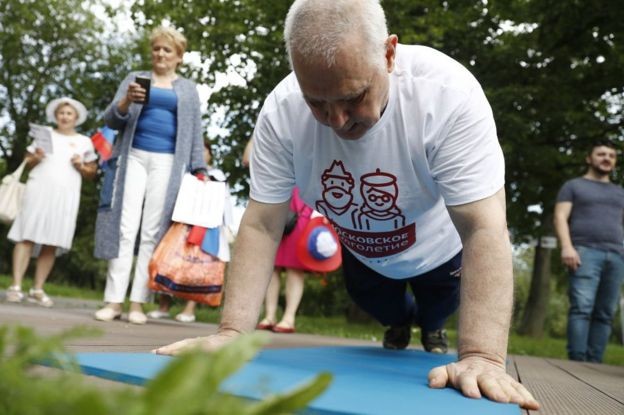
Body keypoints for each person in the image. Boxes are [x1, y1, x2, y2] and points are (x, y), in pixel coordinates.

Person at [156, 0, 539, 409]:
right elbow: (262, 225)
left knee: (435, 312)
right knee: (381, 305)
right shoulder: (281, 112)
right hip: (364, 252)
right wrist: (231, 335)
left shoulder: (447, 96)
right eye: (316, 103)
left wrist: (482, 357)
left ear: (389, 54)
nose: (336, 121)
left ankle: (428, 328)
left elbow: (484, 225)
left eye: (353, 97)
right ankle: (398, 324)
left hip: (442, 253)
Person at [93, 26, 207, 325]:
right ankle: (114, 301)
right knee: (124, 227)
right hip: (132, 157)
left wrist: (200, 168)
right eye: (156, 48)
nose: (160, 53)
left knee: (152, 231)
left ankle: (137, 304)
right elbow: (110, 121)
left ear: (178, 57)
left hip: (168, 163)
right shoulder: (133, 79)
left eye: (167, 50)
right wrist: (125, 101)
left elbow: (195, 132)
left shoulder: (187, 89)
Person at [5, 97, 97, 307]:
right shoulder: (43, 134)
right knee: (26, 235)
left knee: (52, 241)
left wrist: (81, 166)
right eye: (61, 113)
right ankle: (16, 286)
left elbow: (92, 172)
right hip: (38, 190)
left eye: (69, 113)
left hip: (66, 195)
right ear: (56, 115)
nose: (65, 116)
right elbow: (27, 163)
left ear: (76, 118)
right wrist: (37, 156)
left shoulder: (84, 141)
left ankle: (37, 289)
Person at [554, 140, 624, 363]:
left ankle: (595, 363)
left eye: (611, 155)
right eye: (601, 154)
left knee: (606, 313)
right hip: (584, 252)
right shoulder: (573, 186)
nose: (607, 158)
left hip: (616, 255)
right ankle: (577, 361)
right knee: (582, 308)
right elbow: (560, 217)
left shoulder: (620, 192)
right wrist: (567, 246)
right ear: (589, 158)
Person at [148, 140, 233, 323]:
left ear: (210, 153)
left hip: (207, 226)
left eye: (205, 150)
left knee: (199, 267)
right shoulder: (184, 171)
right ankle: (163, 306)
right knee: (172, 263)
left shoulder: (217, 174)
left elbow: (223, 202)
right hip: (182, 225)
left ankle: (189, 309)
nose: (201, 153)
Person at [256, 187, 314, 333]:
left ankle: (289, 318)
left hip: (302, 213)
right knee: (271, 267)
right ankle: (270, 316)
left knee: (294, 268)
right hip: (276, 211)